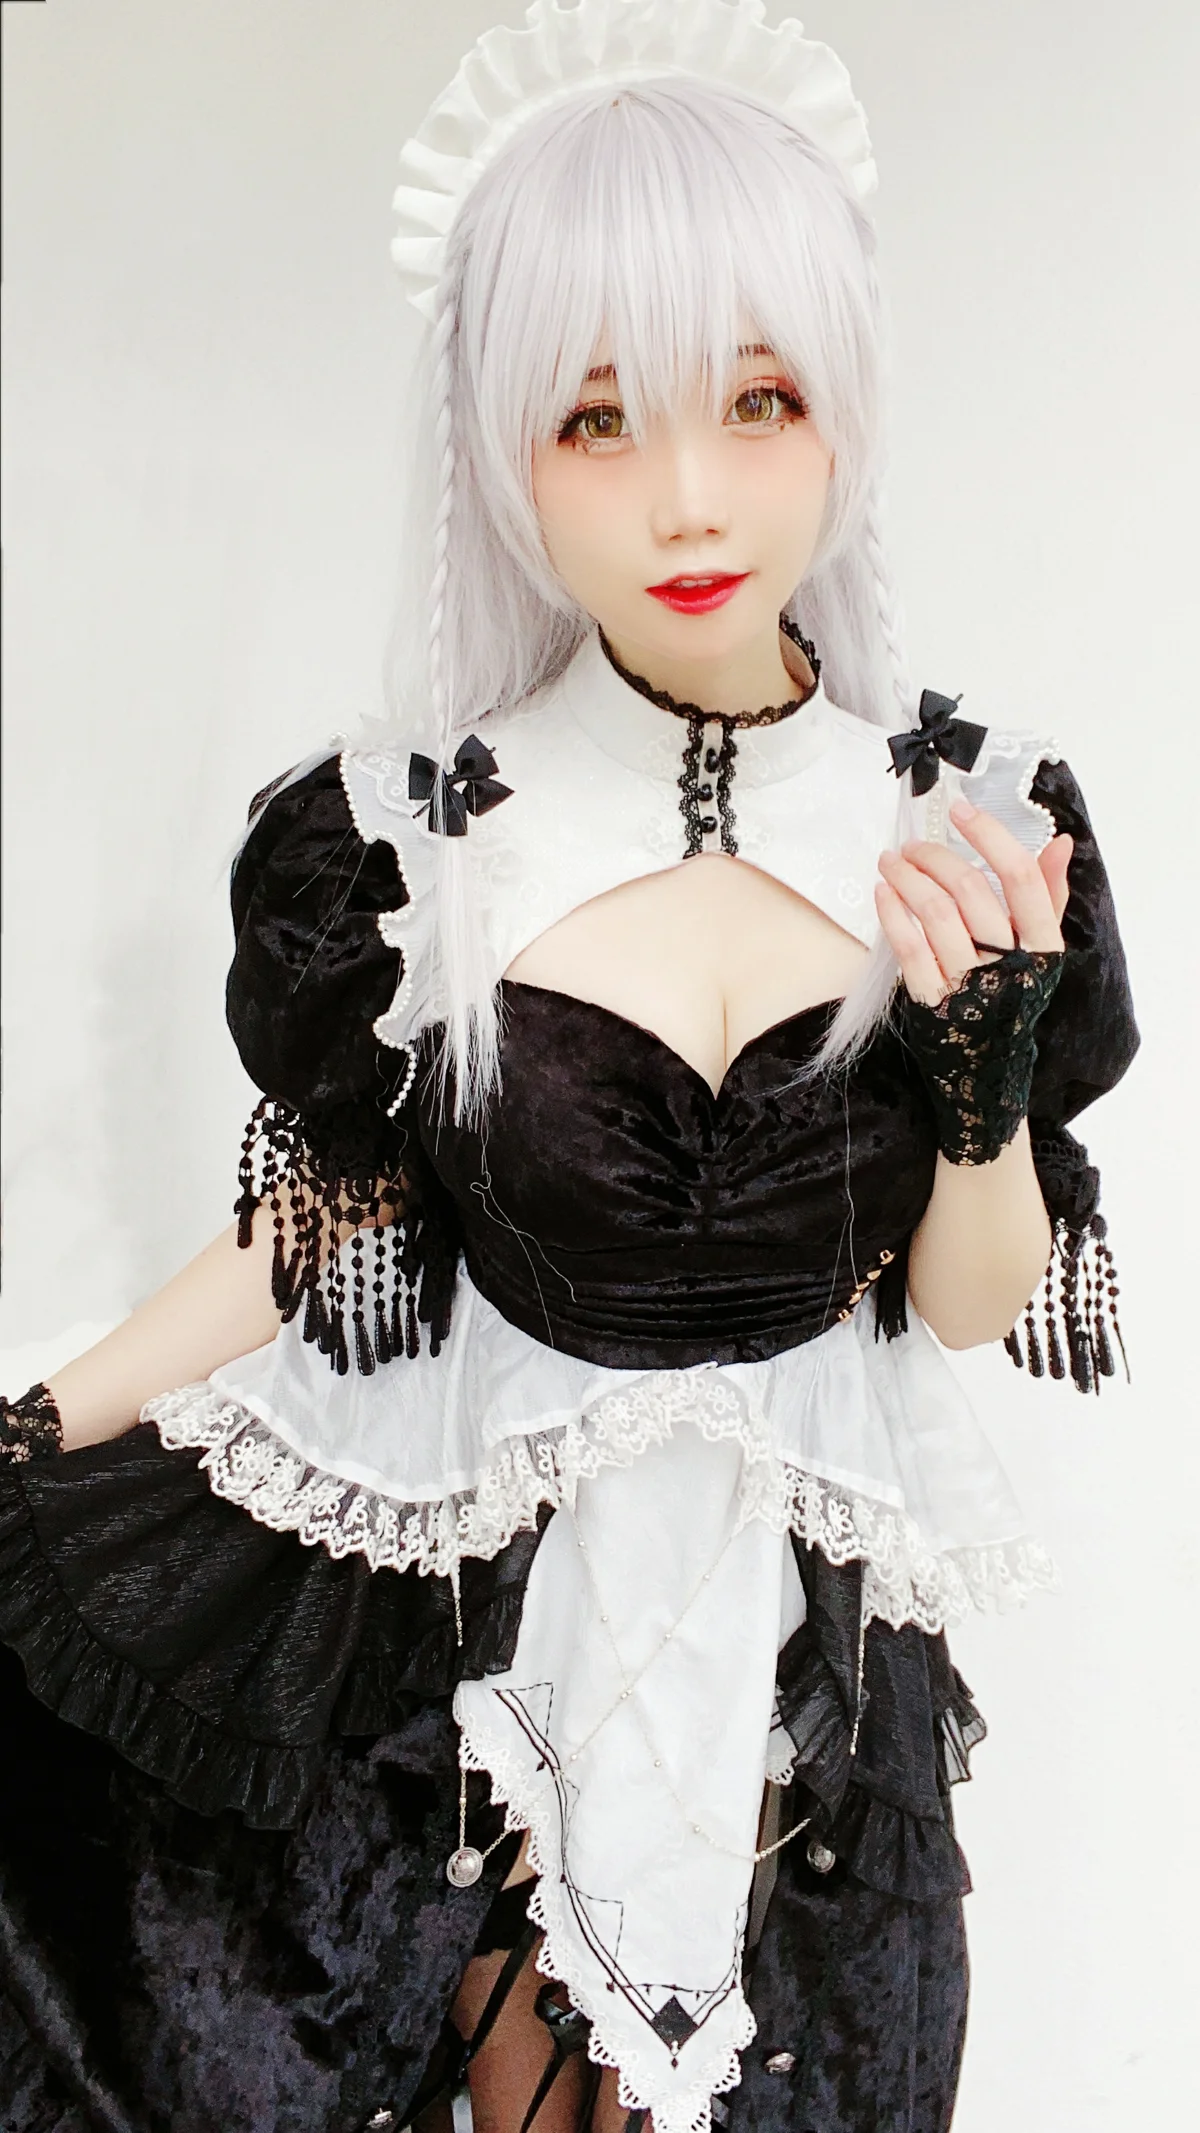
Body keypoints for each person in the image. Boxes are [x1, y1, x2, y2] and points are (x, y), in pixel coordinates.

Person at [0, 5, 1139, 2131]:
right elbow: (323, 1234)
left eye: (758, 397)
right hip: (483, 1692)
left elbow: (971, 1301)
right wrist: (42, 1421)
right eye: (597, 420)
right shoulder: (412, 846)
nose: (689, 494)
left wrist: (983, 1090)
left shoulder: (963, 821)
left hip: (810, 1716)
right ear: (504, 453)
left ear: (845, 404)